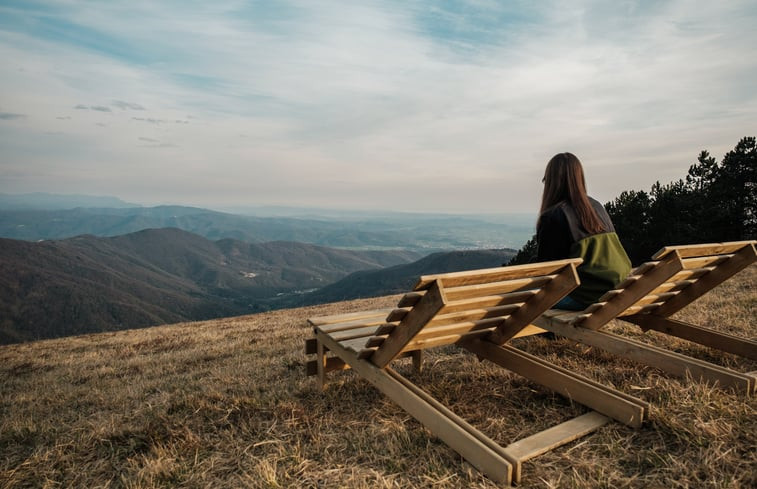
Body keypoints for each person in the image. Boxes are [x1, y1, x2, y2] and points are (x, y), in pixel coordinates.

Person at [537, 152, 631, 310]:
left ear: (551, 182)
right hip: (619, 287)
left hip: (587, 296)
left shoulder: (554, 216)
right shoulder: (596, 207)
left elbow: (546, 270)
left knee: (522, 296)